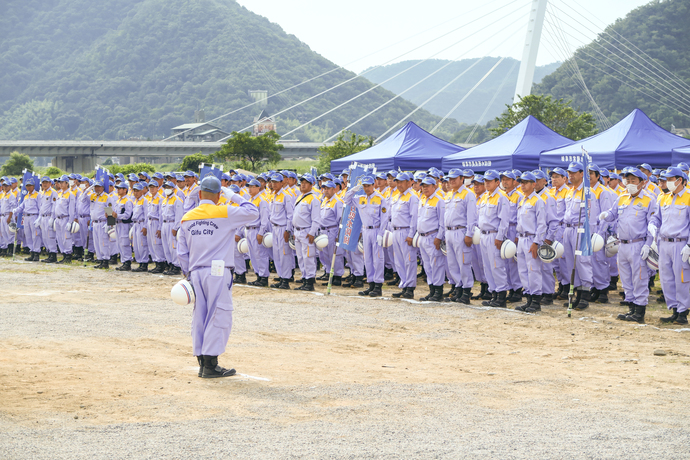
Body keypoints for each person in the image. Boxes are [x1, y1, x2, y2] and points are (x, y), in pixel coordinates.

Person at [177, 176, 259, 378]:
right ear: (218, 194)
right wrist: (232, 195)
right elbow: (253, 212)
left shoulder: (188, 217)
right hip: (217, 271)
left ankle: (202, 362)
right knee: (218, 313)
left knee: (200, 315)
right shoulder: (224, 211)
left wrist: (188, 274)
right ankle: (211, 364)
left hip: (195, 271)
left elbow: (181, 252)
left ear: (199, 193)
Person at [599, 168, 656, 323]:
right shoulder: (622, 197)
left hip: (638, 244)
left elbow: (652, 224)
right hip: (622, 244)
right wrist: (605, 215)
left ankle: (639, 310)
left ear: (642, 183)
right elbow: (612, 214)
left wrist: (648, 244)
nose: (630, 184)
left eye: (634, 181)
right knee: (625, 278)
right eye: (628, 181)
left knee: (639, 277)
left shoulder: (649, 200)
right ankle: (631, 307)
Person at [648, 167, 690, 325]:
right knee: (666, 279)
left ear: (679, 180)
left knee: (681, 279)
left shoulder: (688, 197)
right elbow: (656, 218)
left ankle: (682, 312)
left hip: (681, 244)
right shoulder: (663, 198)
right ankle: (674, 309)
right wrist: (652, 225)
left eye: (670, 179)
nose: (667, 182)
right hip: (663, 243)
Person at [344, 175, 387, 297]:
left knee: (377, 259)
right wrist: (353, 190)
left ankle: (378, 286)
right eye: (364, 186)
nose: (366, 188)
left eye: (368, 185)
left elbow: (384, 218)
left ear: (374, 185)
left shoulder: (380, 199)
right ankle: (371, 284)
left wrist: (381, 234)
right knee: (367, 259)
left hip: (376, 230)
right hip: (366, 231)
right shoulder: (360, 198)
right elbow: (346, 200)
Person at [562, 161, 594, 310]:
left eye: (574, 173)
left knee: (582, 262)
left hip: (580, 229)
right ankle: (577, 293)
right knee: (571, 263)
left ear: (582, 174)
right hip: (568, 229)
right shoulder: (570, 191)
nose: (571, 175)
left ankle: (585, 295)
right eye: (569, 173)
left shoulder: (587, 192)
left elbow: (590, 215)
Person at [477, 170, 511, 308]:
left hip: (494, 235)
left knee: (497, 266)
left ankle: (501, 295)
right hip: (483, 235)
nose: (487, 183)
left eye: (490, 181)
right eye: (485, 181)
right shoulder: (485, 196)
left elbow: (504, 220)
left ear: (497, 182)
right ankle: (494, 293)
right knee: (487, 266)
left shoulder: (501, 197)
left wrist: (500, 237)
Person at [514, 172, 546, 312]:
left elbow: (542, 224)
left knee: (533, 269)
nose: (522, 185)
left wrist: (536, 242)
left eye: (526, 182)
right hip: (521, 238)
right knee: (522, 270)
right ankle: (528, 298)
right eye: (521, 182)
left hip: (531, 239)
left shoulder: (537, 200)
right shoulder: (523, 200)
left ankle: (536, 299)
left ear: (533, 184)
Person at [444, 169, 477, 304]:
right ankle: (458, 287)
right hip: (449, 232)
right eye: (450, 179)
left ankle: (466, 290)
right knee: (452, 263)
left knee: (464, 262)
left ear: (461, 179)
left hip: (460, 231)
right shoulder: (449, 194)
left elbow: (471, 216)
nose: (451, 181)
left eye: (454, 178)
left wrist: (469, 234)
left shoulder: (467, 194)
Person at [388, 172, 419, 299]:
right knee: (399, 261)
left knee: (409, 260)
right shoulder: (397, 196)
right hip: (395, 231)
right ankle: (404, 284)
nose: (399, 184)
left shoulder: (412, 197)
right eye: (398, 182)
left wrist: (411, 234)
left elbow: (414, 217)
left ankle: (410, 287)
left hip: (406, 231)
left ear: (409, 182)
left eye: (401, 182)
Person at [416, 176, 446, 301]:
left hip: (433, 236)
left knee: (436, 264)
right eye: (423, 186)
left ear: (435, 186)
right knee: (427, 265)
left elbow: (442, 222)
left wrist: (439, 237)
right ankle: (431, 290)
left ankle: (438, 292)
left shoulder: (439, 200)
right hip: (422, 237)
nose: (424, 188)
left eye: (427, 186)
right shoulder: (422, 199)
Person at [268, 173, 295, 289]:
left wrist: (288, 230)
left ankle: (286, 279)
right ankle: (281, 276)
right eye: (272, 182)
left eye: (276, 182)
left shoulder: (286, 196)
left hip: (283, 228)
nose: (273, 184)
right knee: (277, 254)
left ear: (281, 183)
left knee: (285, 254)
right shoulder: (273, 195)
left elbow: (290, 215)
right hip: (274, 228)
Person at [317, 180, 345, 286]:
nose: (326, 190)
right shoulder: (324, 201)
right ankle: (329, 275)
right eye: (324, 188)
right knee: (326, 255)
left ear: (334, 189)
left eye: (328, 188)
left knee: (335, 254)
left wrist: (339, 234)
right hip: (323, 231)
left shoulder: (337, 201)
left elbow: (340, 220)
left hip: (332, 230)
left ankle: (337, 276)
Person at [8, 178, 42, 262]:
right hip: (26, 217)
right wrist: (15, 210)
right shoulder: (26, 196)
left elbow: (40, 207)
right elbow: (22, 207)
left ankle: (36, 253)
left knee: (35, 236)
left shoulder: (38, 195)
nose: (28, 187)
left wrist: (39, 219)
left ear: (33, 186)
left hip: (34, 216)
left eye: (30, 185)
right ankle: (32, 252)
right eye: (27, 186)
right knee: (28, 236)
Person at [52, 175, 76, 264]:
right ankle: (63, 255)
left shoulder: (70, 194)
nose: (60, 184)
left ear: (67, 183)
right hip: (58, 219)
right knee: (59, 238)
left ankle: (68, 255)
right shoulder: (59, 193)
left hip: (65, 218)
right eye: (60, 182)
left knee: (66, 237)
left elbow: (71, 209)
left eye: (62, 182)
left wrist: (70, 221)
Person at [130, 182, 150, 272]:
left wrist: (145, 226)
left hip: (141, 223)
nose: (135, 192)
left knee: (142, 244)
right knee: (136, 245)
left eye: (137, 191)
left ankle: (144, 263)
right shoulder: (136, 201)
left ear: (142, 191)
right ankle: (139, 262)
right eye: (134, 191)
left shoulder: (144, 200)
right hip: (135, 224)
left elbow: (146, 214)